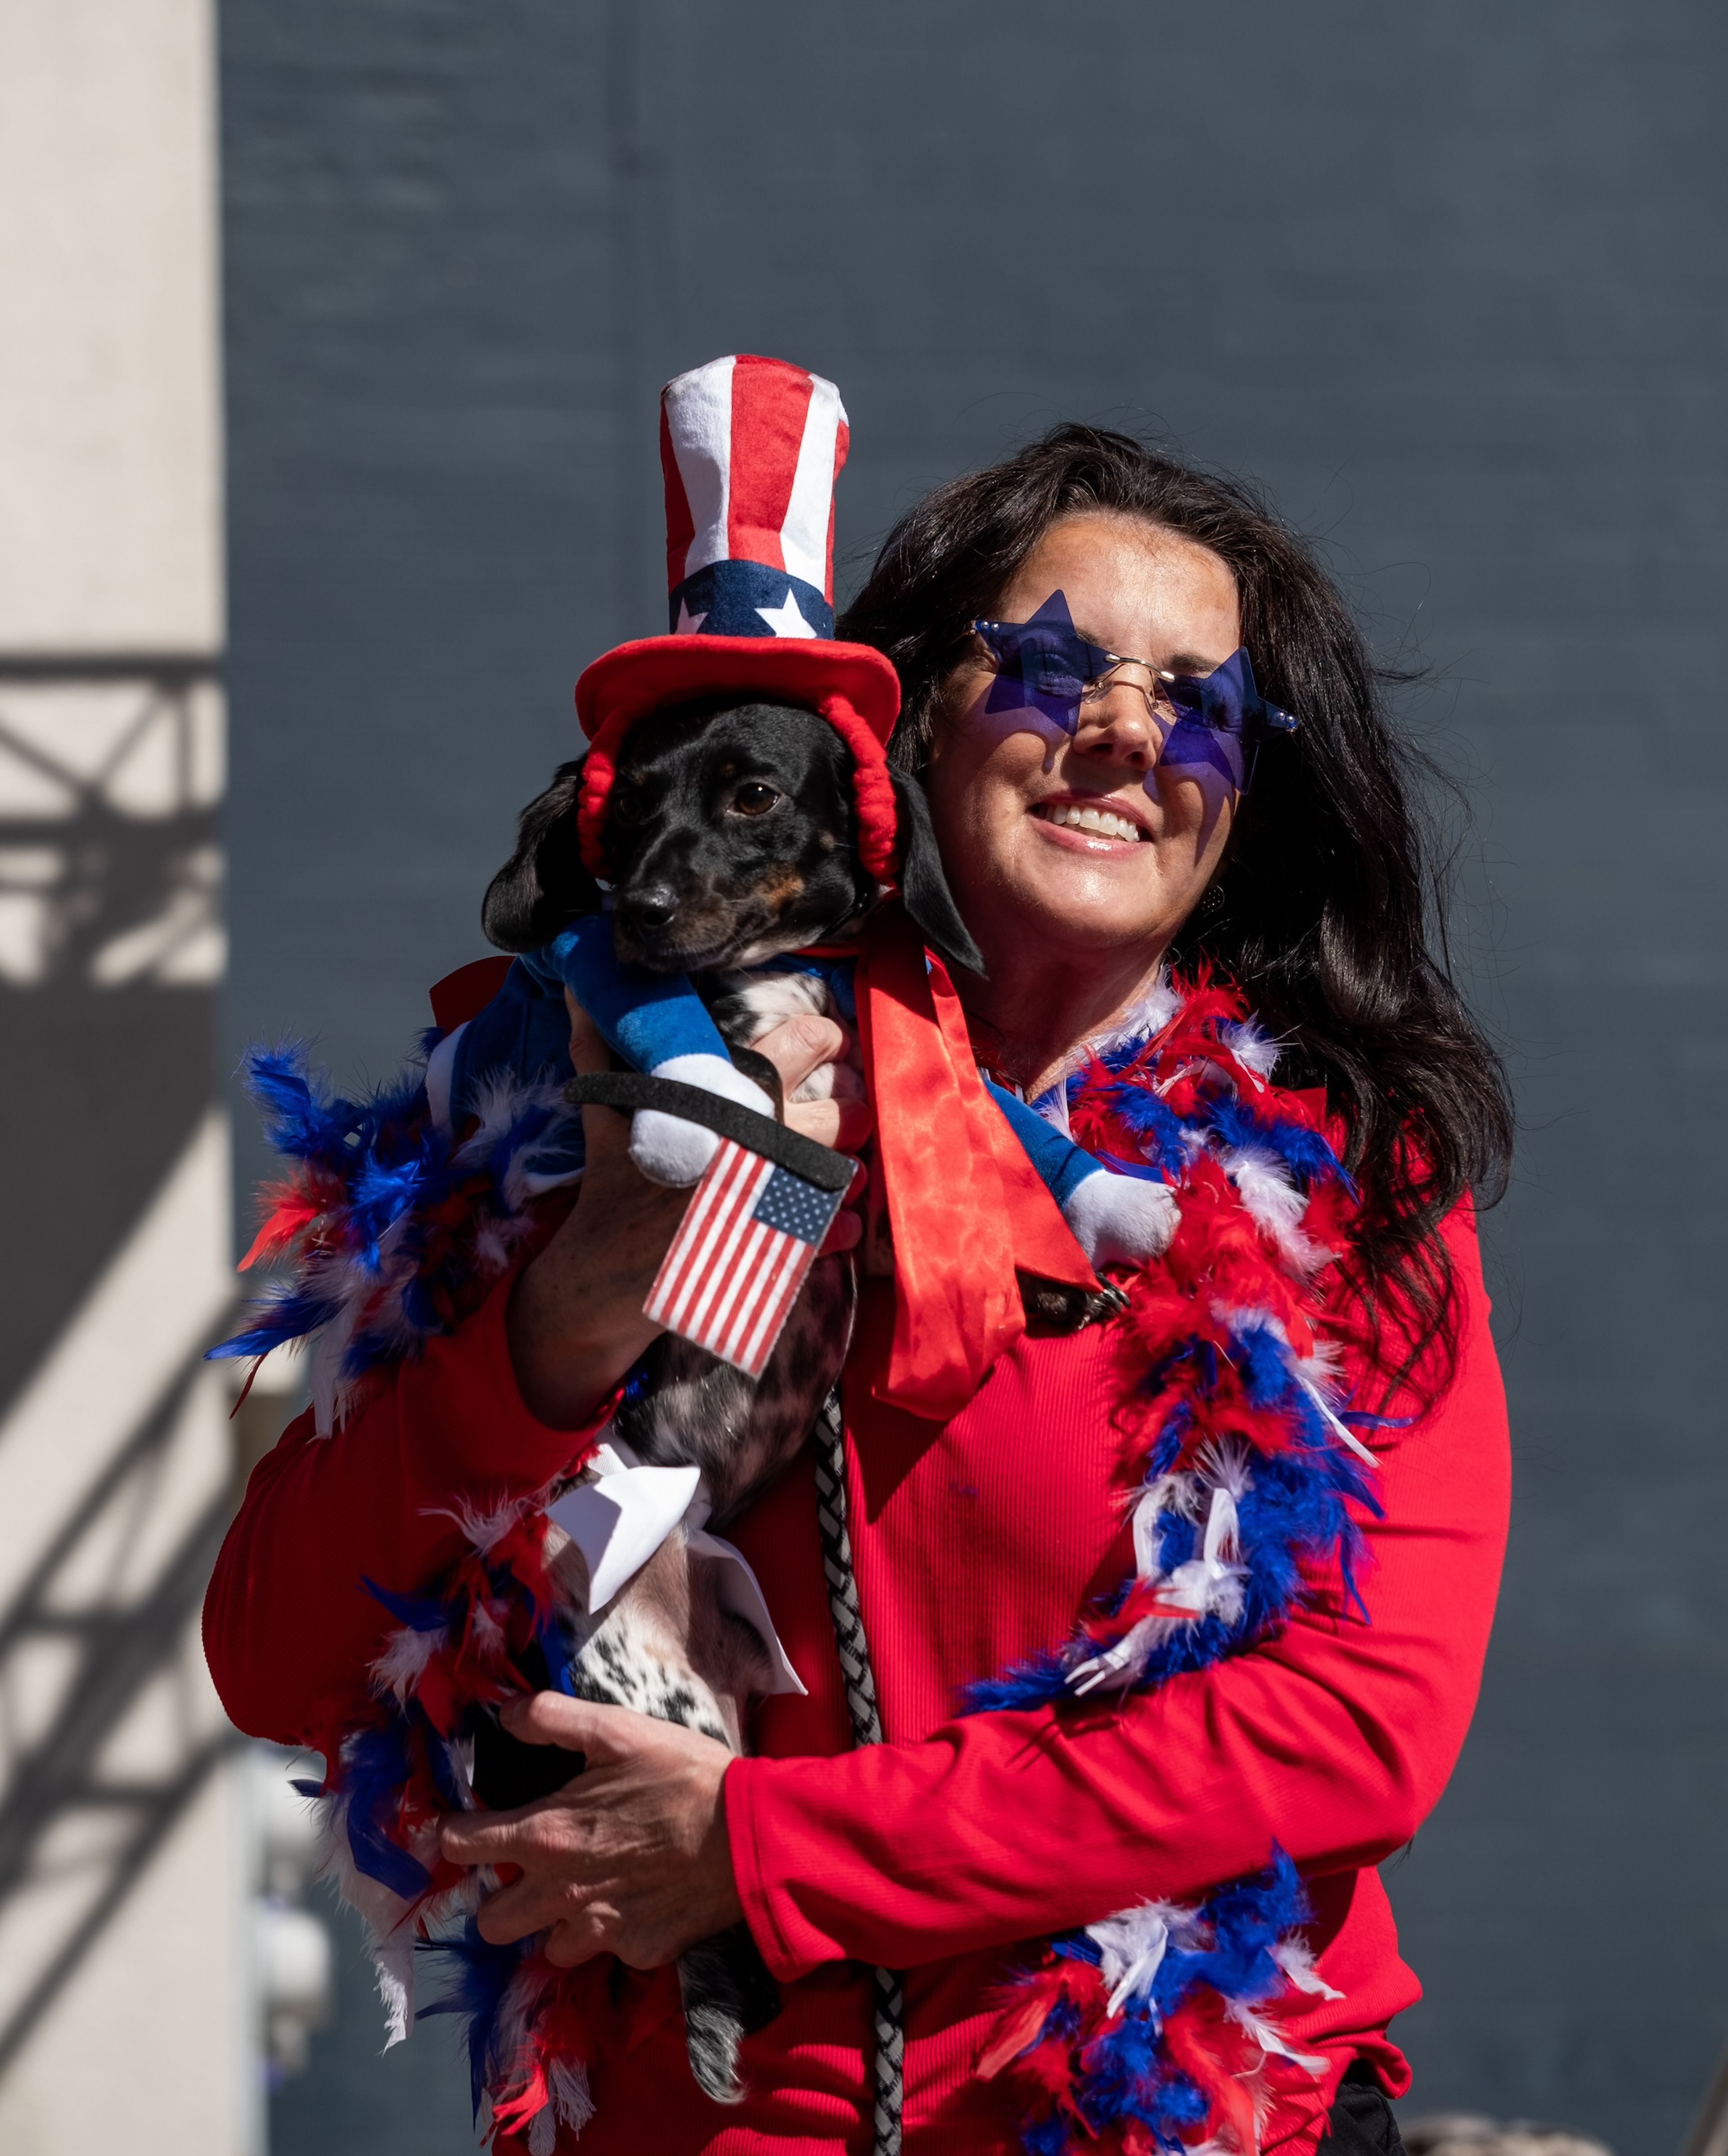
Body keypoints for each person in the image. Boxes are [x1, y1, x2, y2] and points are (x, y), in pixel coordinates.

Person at [205, 421, 1512, 2156]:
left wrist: (763, 1847)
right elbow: (280, 1656)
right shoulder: (598, 1114)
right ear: (901, 728)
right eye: (1051, 667)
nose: (1125, 732)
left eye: (1197, 702)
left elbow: (1354, 1733)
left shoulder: (1343, 1177)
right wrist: (579, 1295)